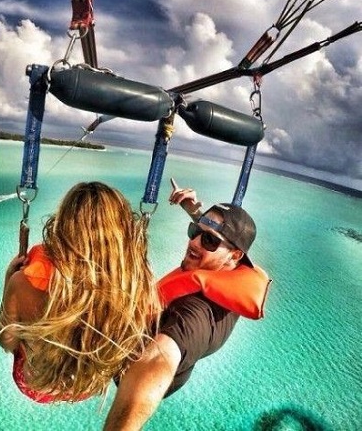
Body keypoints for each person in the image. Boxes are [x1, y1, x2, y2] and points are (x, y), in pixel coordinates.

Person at [103, 181, 271, 430]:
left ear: (235, 255)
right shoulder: (234, 267)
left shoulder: (197, 314)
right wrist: (193, 211)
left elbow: (159, 359)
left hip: (125, 361)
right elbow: (218, 236)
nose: (194, 243)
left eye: (209, 241)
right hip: (144, 323)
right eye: (194, 231)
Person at [0, 181, 161, 403]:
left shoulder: (23, 282)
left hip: (35, 384)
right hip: (85, 385)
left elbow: (7, 342)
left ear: (62, 225)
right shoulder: (134, 288)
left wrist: (9, 280)